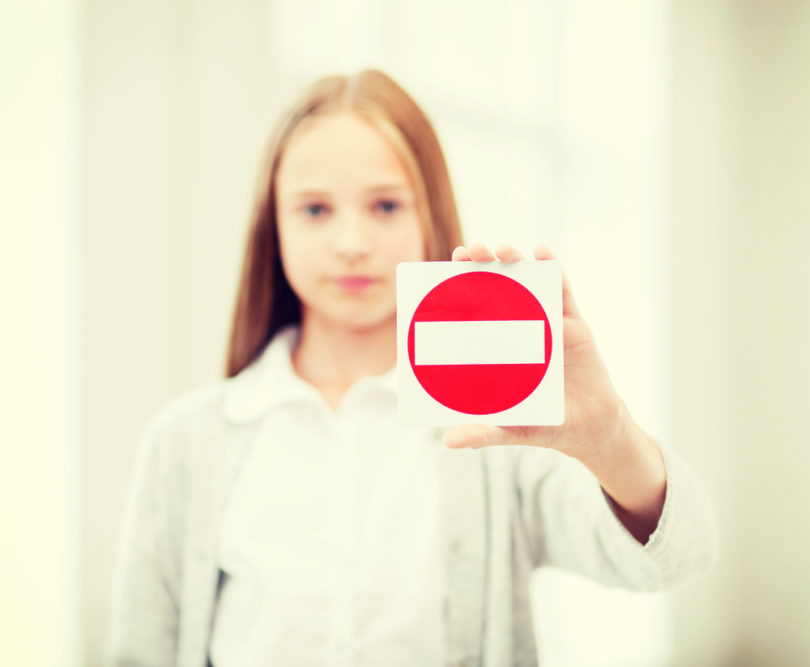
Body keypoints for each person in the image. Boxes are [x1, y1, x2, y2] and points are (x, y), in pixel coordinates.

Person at [105, 69, 717, 667]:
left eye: (386, 205)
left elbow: (676, 557)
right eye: (315, 210)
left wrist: (609, 438)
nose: (352, 242)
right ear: (275, 229)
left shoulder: (498, 431)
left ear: (431, 214)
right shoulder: (186, 440)